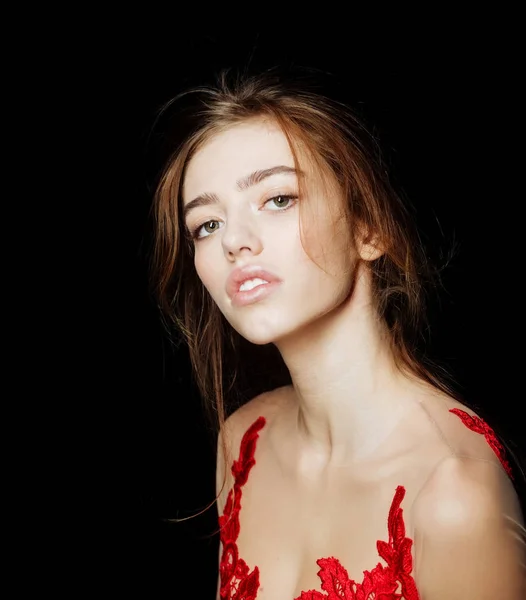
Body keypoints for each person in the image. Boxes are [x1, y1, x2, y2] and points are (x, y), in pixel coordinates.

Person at [150, 67, 526, 599]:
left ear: (366, 227)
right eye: (207, 224)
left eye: (278, 199)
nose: (235, 240)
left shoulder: (453, 492)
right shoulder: (242, 440)